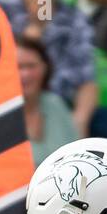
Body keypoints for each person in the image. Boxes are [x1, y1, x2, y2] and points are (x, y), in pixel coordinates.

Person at [0, 0, 107, 144]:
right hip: (13, 104)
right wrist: (37, 26)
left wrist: (79, 120)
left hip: (63, 106)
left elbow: (87, 81)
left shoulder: (76, 18)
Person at [16, 35, 78, 164]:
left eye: (31, 66)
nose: (25, 74)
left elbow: (77, 156)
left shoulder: (55, 104)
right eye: (18, 67)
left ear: (45, 68)